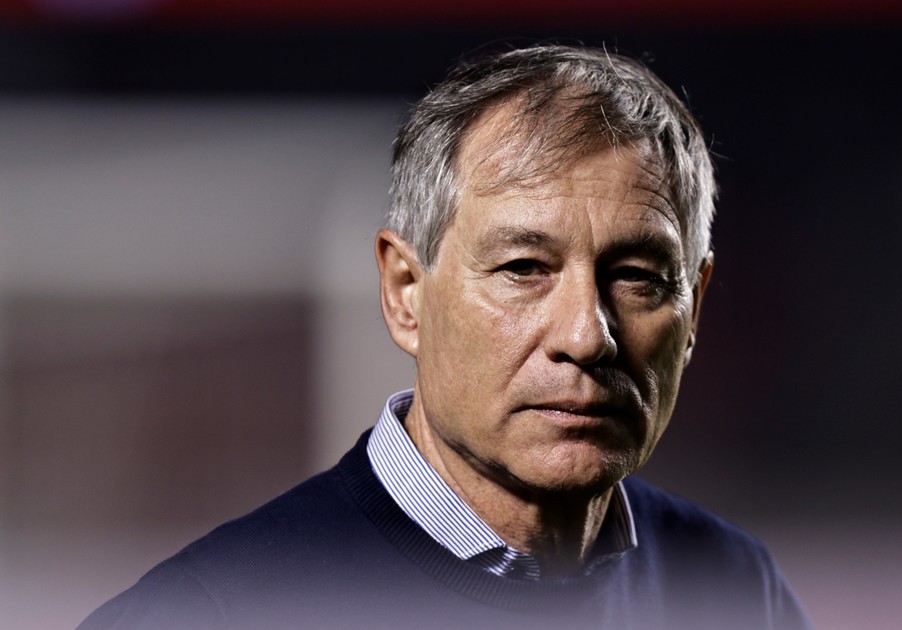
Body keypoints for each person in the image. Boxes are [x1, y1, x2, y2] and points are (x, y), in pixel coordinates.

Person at [80, 44, 811, 630]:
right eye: (524, 268)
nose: (587, 336)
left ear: (694, 309)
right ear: (406, 292)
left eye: (638, 277)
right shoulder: (209, 614)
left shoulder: (738, 591)